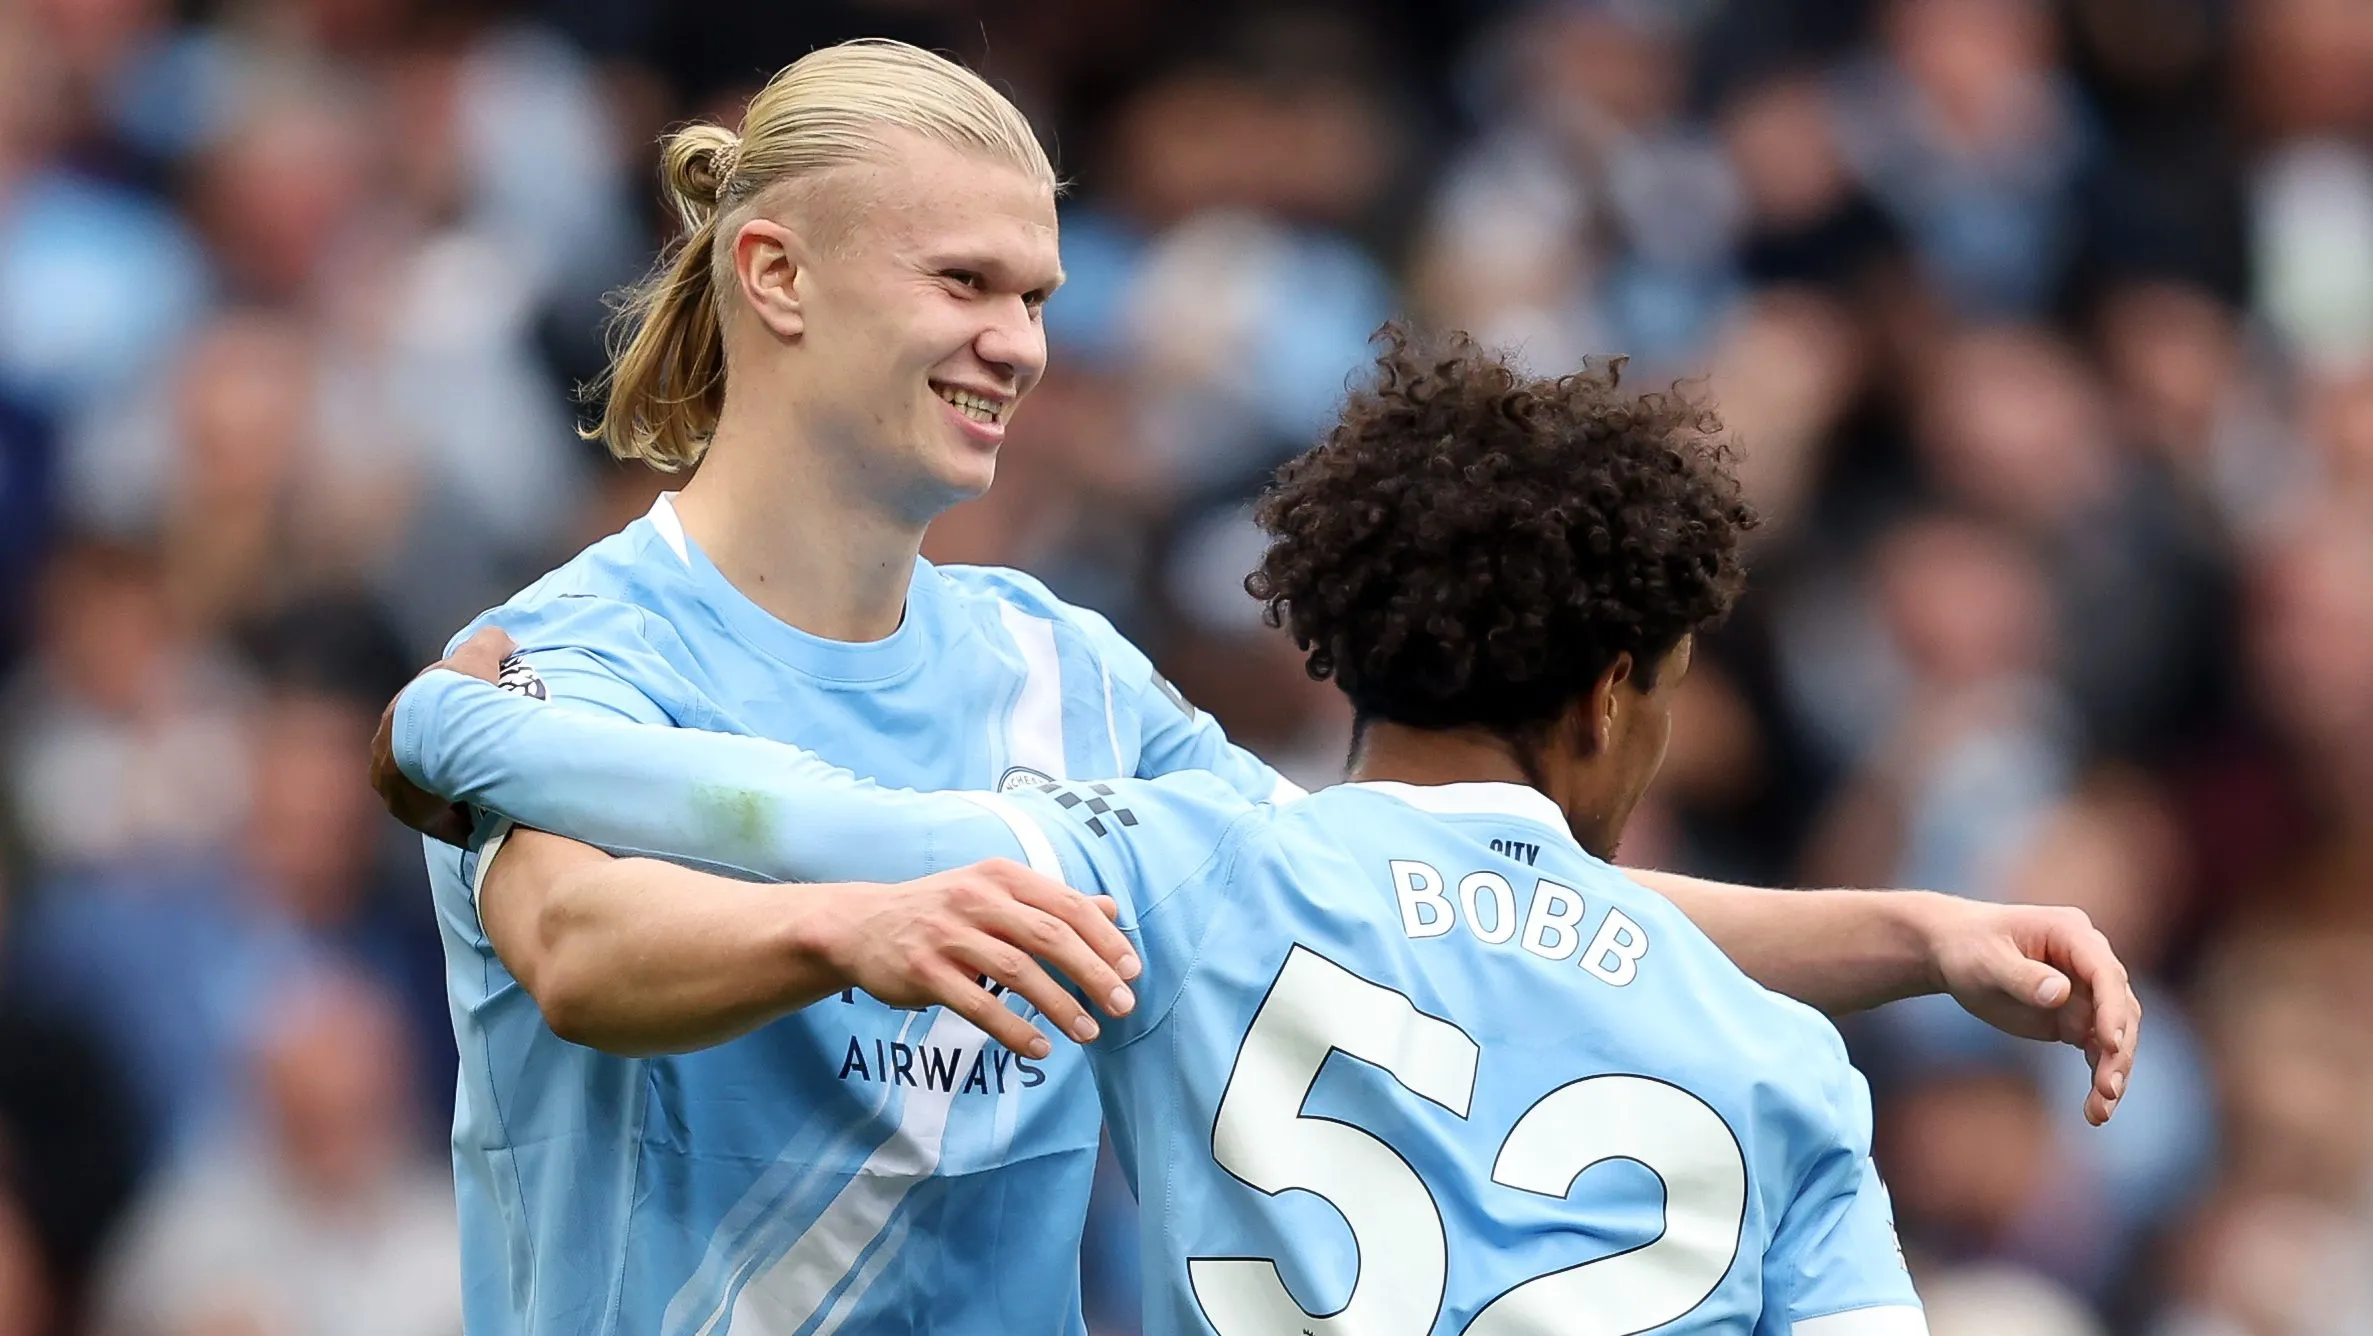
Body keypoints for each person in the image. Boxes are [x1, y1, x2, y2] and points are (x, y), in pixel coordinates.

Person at [367, 39, 2136, 1336]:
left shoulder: (1063, 673)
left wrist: (1911, 936)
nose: (1021, 342)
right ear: (776, 278)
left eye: (1041, 293)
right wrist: (849, 926)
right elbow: (580, 953)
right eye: (966, 281)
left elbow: (1408, 898)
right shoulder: (578, 655)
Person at [399, 331, 1996, 1334]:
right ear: (1608, 699)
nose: (1019, 342)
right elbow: (1563, 918)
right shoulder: (1788, 1071)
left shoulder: (1196, 865)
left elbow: (833, 825)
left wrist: (470, 732)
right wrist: (1916, 936)